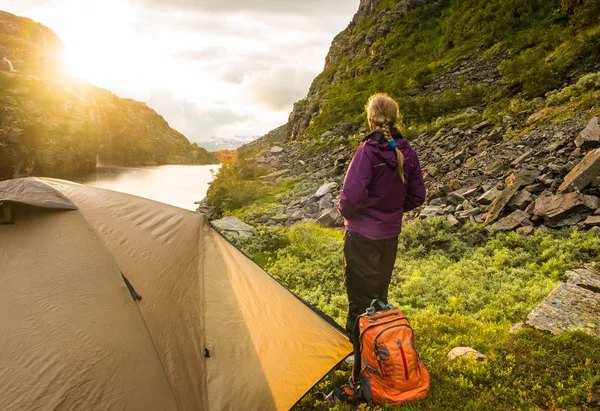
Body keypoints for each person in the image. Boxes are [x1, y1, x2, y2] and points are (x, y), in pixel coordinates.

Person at [337, 93, 426, 336]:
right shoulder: (408, 151)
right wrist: (392, 210)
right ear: (395, 119)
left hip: (362, 238)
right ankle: (381, 352)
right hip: (389, 236)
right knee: (379, 296)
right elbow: (417, 196)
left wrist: (350, 213)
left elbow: (350, 199)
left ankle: (359, 361)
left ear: (370, 119)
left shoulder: (367, 151)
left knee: (359, 301)